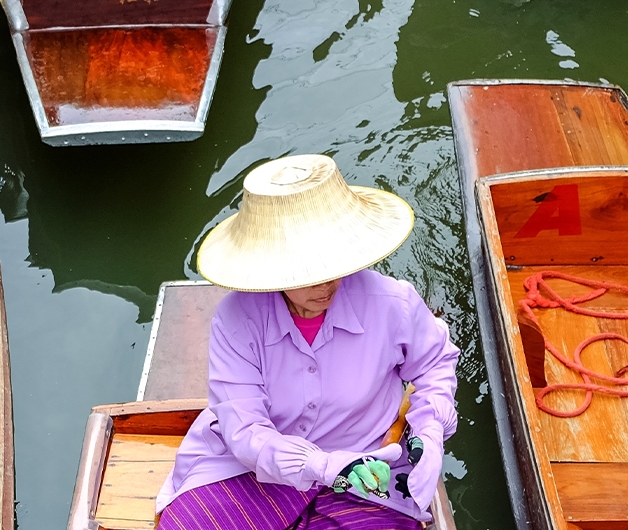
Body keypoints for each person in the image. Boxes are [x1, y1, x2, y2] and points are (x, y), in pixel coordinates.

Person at [155, 155, 460, 529]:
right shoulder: (236, 320)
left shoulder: (394, 303)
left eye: (335, 265)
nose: (326, 283)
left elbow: (435, 365)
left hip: (367, 466)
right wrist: (319, 465)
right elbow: (246, 430)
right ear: (271, 265)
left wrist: (430, 427)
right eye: (308, 272)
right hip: (254, 468)